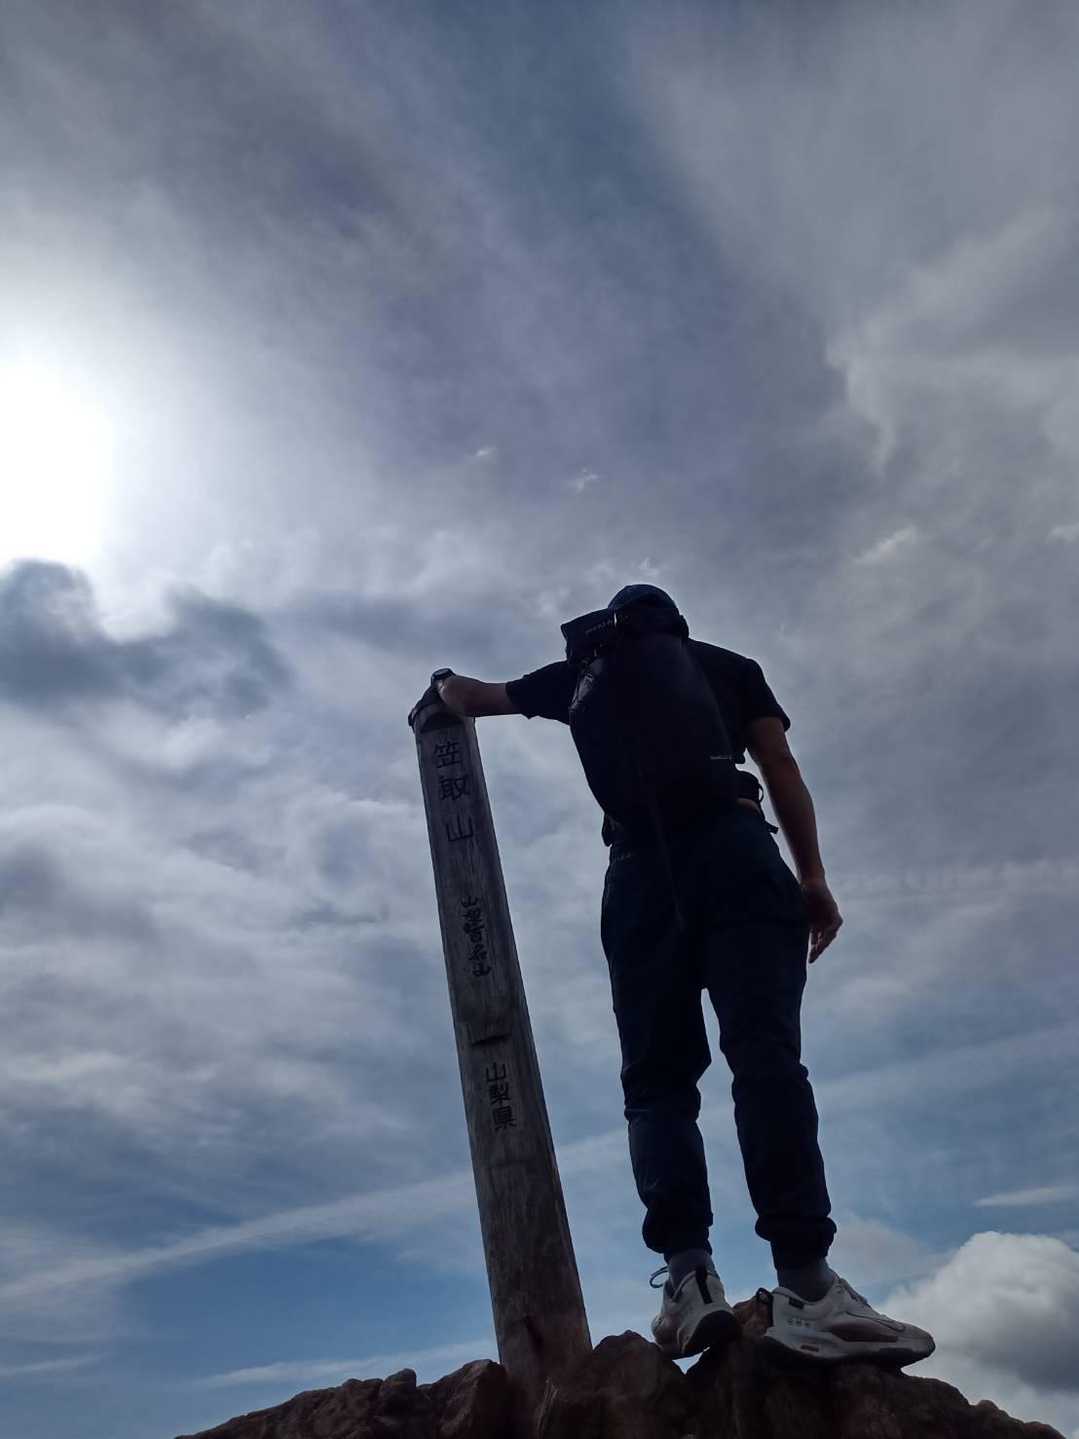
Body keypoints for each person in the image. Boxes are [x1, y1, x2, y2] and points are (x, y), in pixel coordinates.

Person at [421, 584, 934, 1368]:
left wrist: (441, 683)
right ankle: (807, 1287)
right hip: (738, 852)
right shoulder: (728, 667)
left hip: (635, 876)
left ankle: (689, 1280)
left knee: (656, 1085)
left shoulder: (580, 678)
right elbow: (779, 764)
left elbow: (472, 696)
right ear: (676, 627)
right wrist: (812, 877)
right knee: (764, 1061)